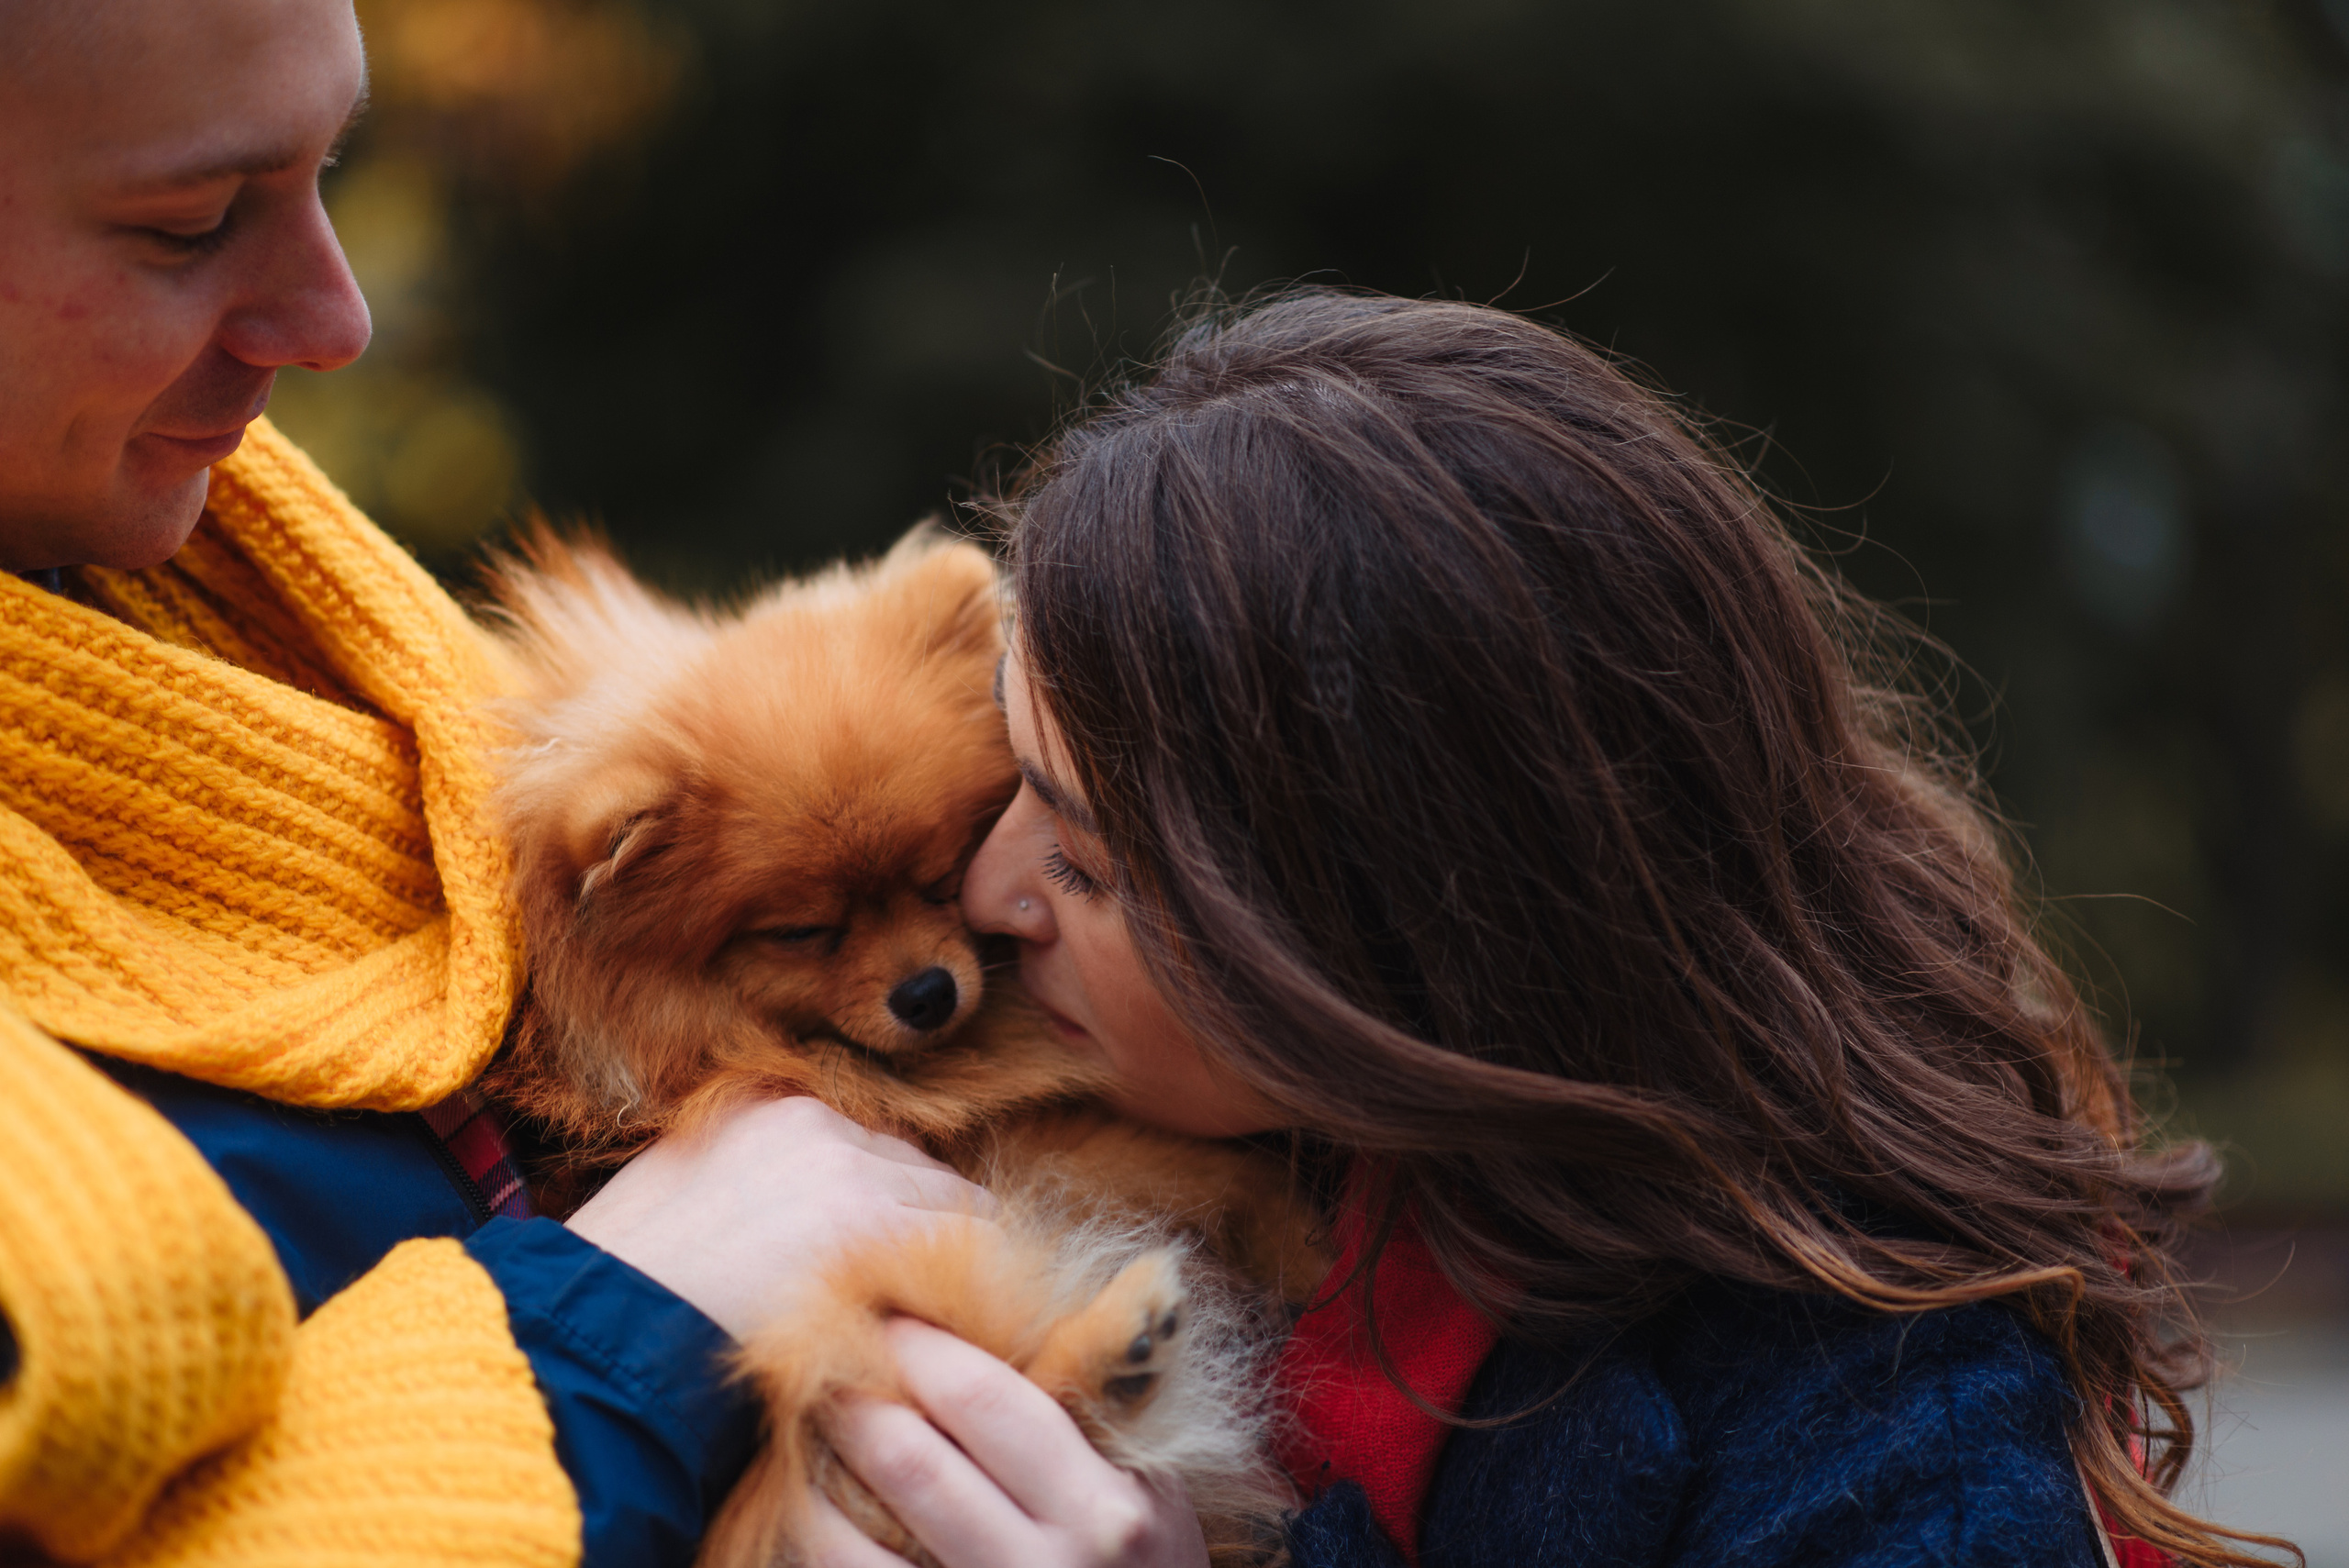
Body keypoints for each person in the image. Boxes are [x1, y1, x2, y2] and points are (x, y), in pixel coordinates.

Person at [785, 291, 2297, 1568]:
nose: (988, 893)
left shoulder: (1889, 1405)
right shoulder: (1233, 1144)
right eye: (1009, 780)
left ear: (1406, 937)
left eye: (1095, 860)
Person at [0, 3, 987, 1563]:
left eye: (334, 167)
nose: (336, 321)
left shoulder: (286, 624)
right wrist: (622, 1319)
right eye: (187, 224)